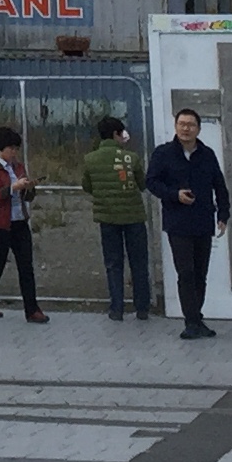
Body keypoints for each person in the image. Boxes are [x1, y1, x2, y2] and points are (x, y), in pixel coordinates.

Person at [145, 106, 226, 338]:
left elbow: (219, 185)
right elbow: (151, 182)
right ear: (176, 126)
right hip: (178, 222)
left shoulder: (207, 154)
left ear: (198, 129)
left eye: (190, 125)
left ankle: (197, 317)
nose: (186, 129)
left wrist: (223, 214)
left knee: (200, 273)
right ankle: (190, 321)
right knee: (186, 272)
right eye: (182, 124)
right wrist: (174, 195)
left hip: (202, 221)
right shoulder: (163, 153)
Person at [85, 115, 152, 321]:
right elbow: (142, 184)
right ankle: (142, 307)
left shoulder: (90, 159)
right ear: (116, 134)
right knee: (139, 262)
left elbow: (87, 186)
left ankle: (116, 308)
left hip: (107, 217)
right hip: (134, 217)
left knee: (113, 263)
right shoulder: (131, 157)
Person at [0, 126, 42, 322]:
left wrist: (29, 188)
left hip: (19, 221)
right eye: (11, 149)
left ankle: (32, 309)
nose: (14, 153)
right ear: (1, 148)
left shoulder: (18, 167)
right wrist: (12, 188)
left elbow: (26, 197)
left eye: (16, 149)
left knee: (26, 265)